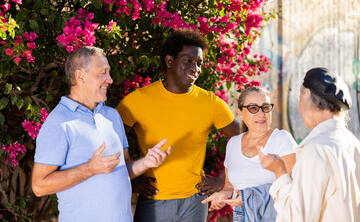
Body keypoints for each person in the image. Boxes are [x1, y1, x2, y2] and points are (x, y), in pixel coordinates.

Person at [31, 46, 171, 222]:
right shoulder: (59, 122)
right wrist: (89, 169)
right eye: (102, 73)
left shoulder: (112, 116)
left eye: (109, 73)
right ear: (80, 76)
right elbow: (39, 186)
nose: (110, 80)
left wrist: (146, 162)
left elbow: (121, 169)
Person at [116, 29, 240, 222]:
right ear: (169, 61)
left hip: (194, 201)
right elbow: (109, 140)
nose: (195, 68)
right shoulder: (137, 101)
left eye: (198, 63)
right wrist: (132, 181)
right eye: (188, 60)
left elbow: (246, 139)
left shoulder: (211, 103)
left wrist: (222, 180)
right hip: (153, 199)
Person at [258, 67, 360, 222]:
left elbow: (297, 217)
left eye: (299, 96)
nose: (299, 107)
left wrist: (279, 172)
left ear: (306, 95)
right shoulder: (353, 143)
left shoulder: (315, 149)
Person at [201, 86, 297, 222]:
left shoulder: (282, 139)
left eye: (265, 107)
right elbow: (230, 185)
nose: (261, 114)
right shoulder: (233, 144)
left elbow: (294, 187)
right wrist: (223, 194)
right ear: (240, 113)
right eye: (253, 108)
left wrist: (249, 199)